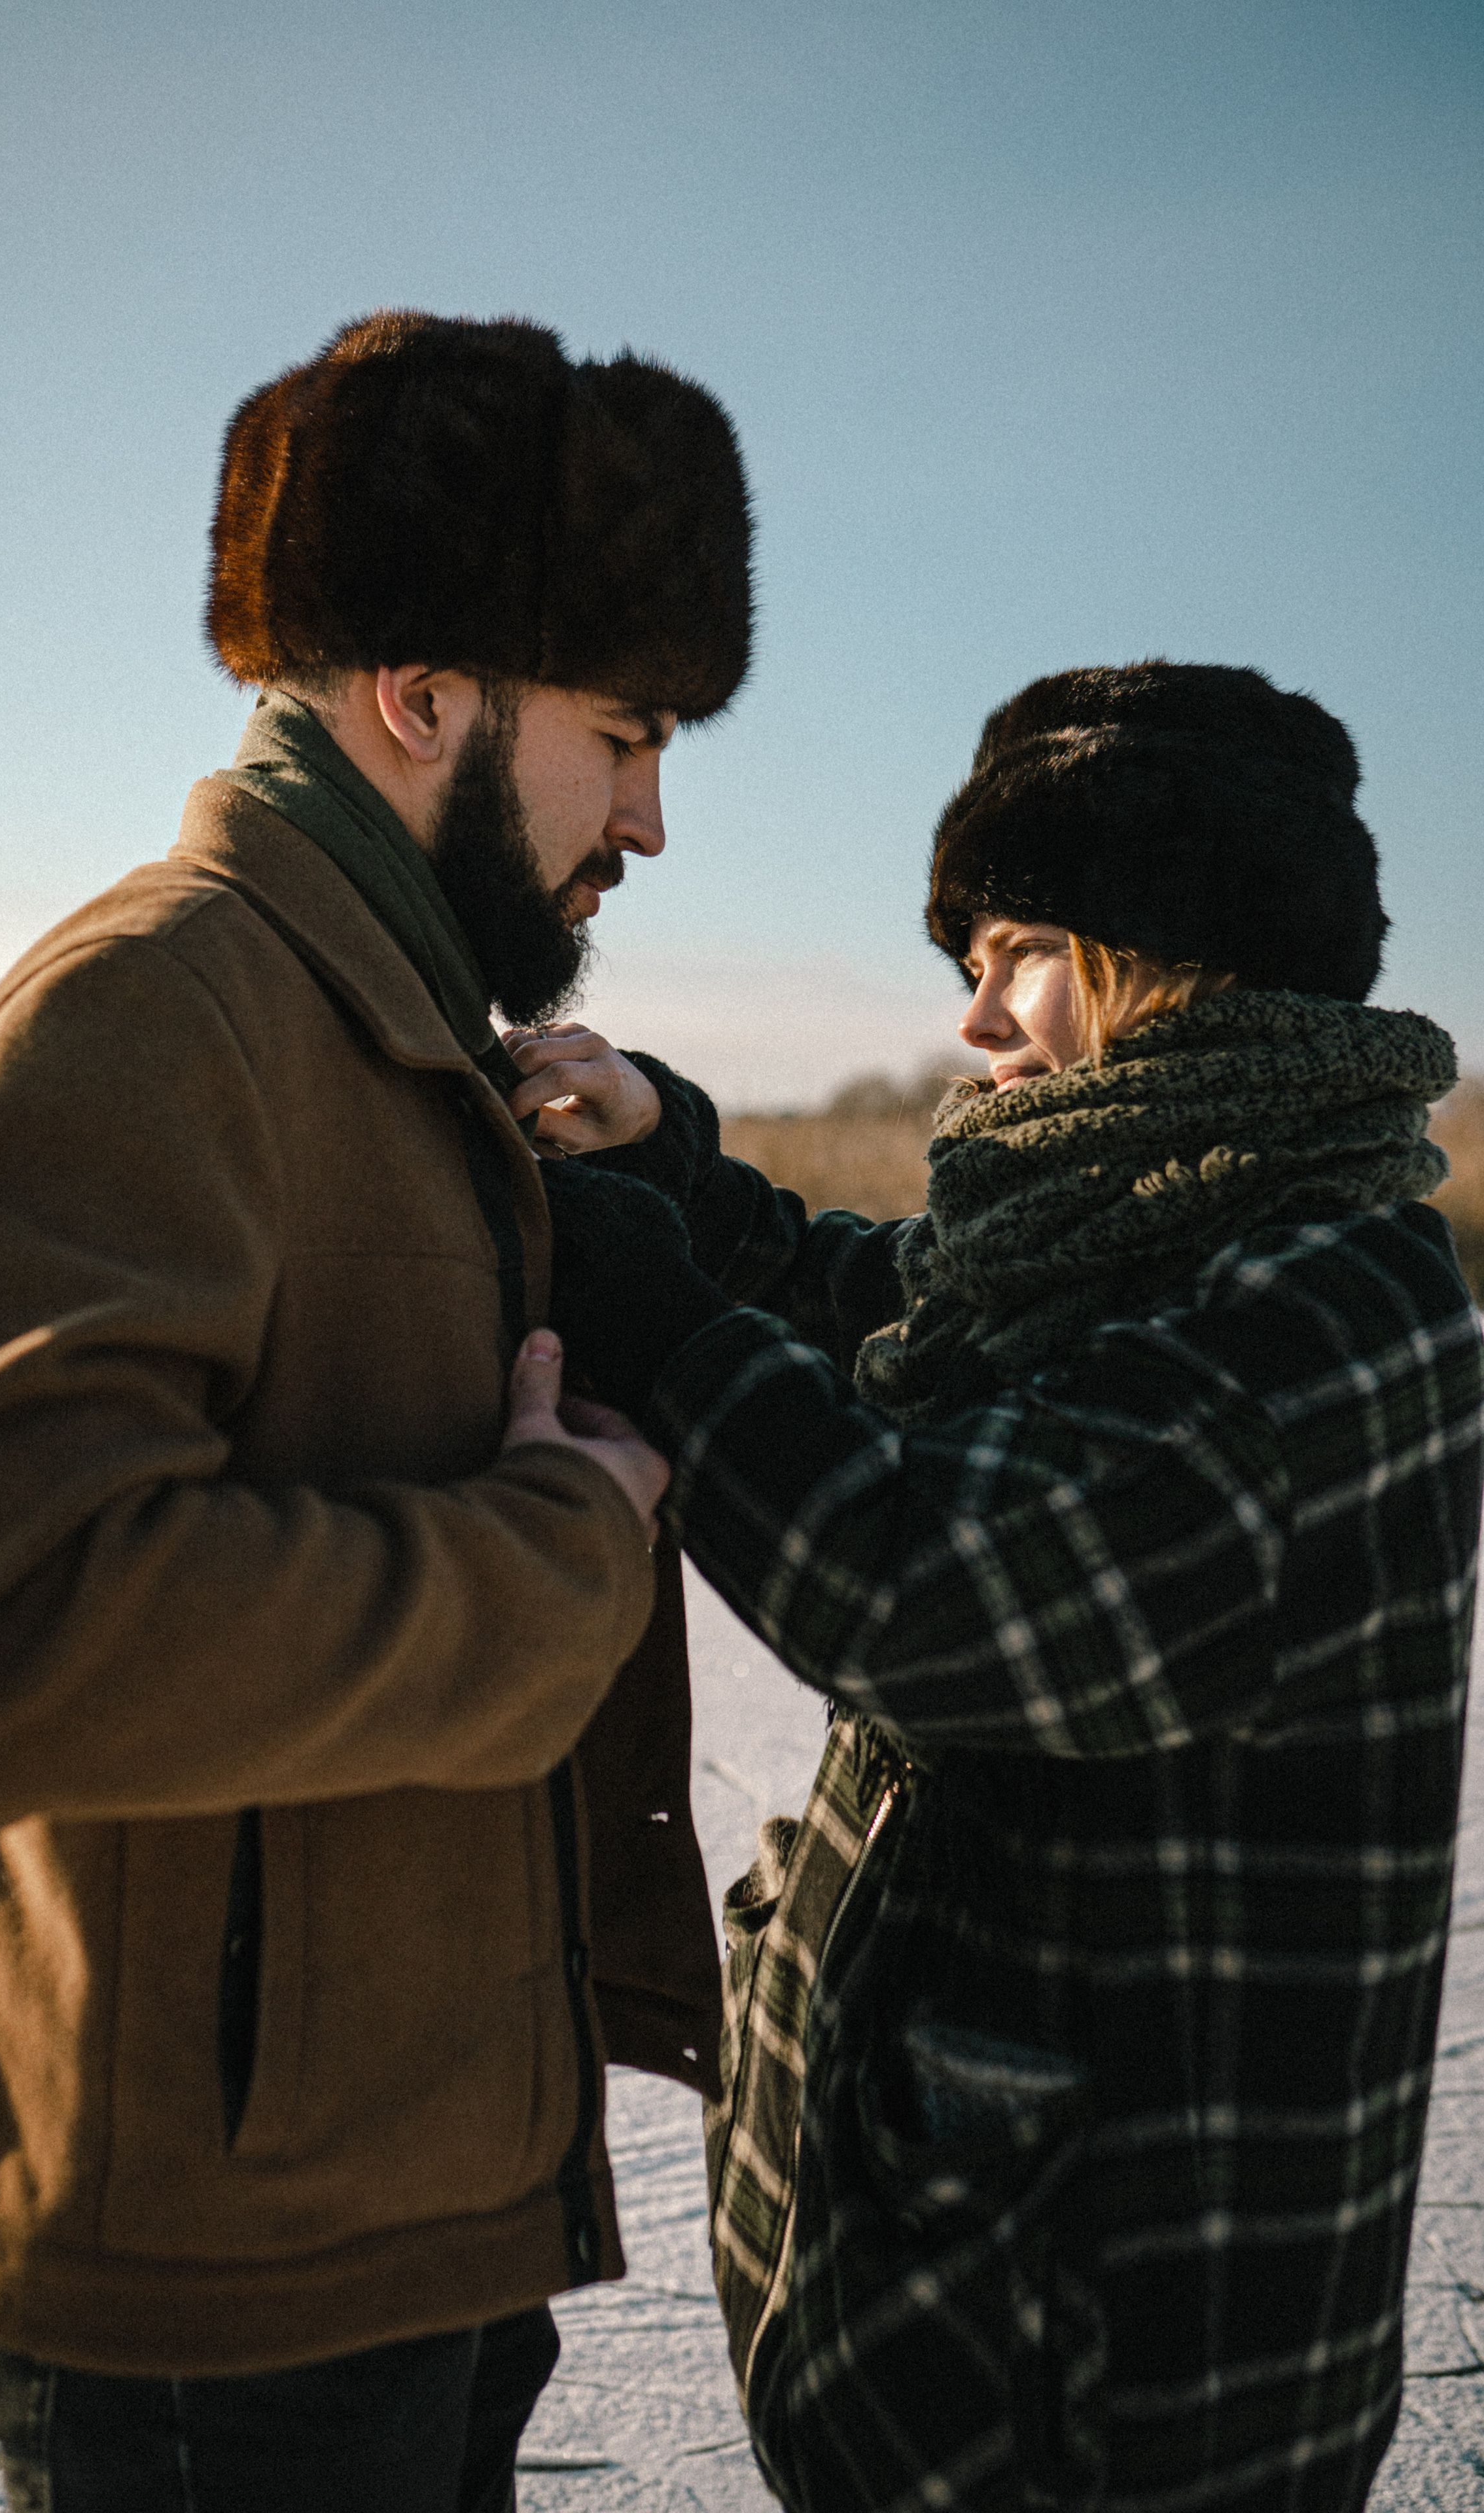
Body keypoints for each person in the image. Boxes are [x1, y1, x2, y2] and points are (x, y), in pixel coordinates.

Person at [0, 310, 752, 2512]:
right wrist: (553, 1554)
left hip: (390, 2225)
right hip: (210, 2310)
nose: (651, 816)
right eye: (621, 735)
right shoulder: (161, 1009)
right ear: (421, 694)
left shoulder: (399, 1041)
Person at [517, 661, 1484, 2511]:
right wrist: (691, 1187)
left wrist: (645, 1298)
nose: (973, 1020)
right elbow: (903, 1303)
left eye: (1021, 946)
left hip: (1134, 2389)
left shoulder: (1340, 1314)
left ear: (1181, 951)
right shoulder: (1160, 1218)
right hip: (984, 2306)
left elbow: (928, 1585)